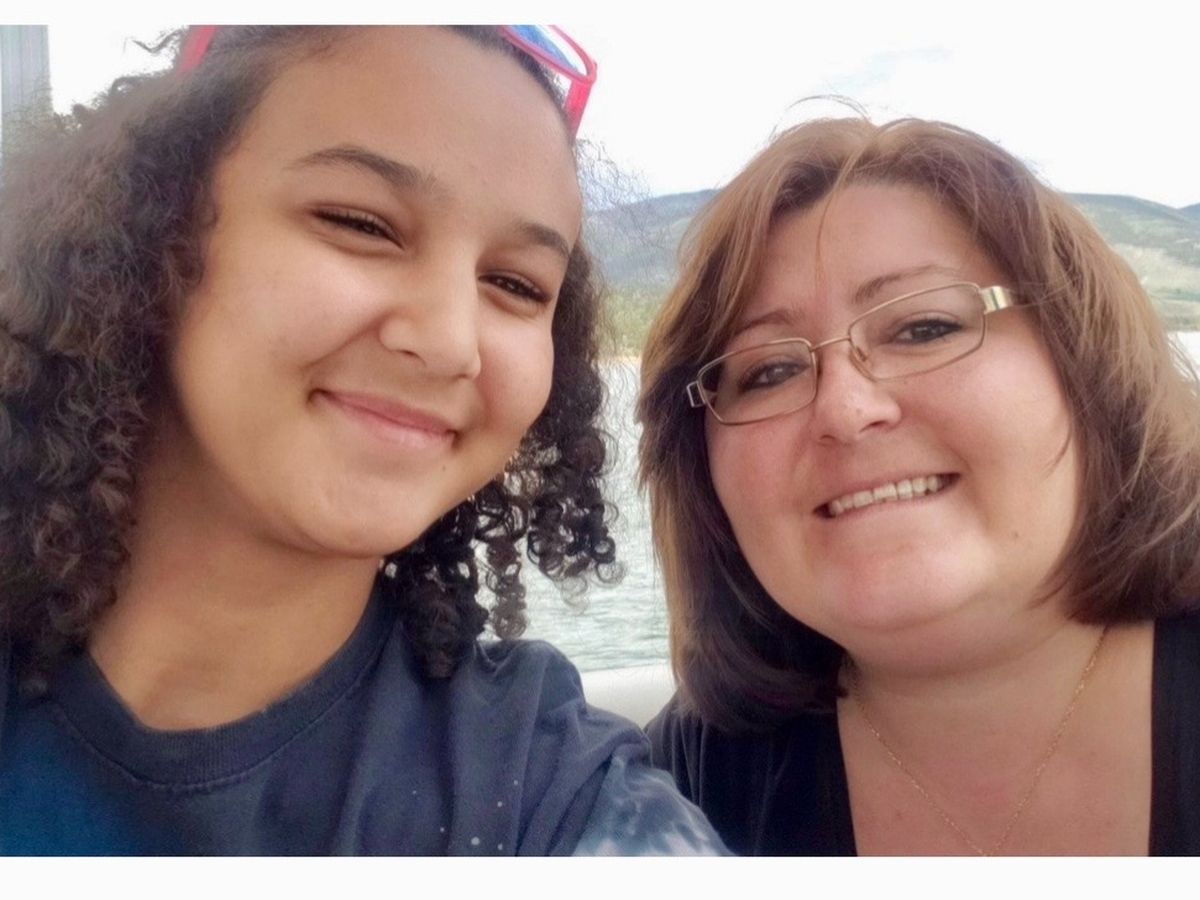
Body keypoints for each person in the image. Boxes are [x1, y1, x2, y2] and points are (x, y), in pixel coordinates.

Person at [0, 25, 724, 855]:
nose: (449, 341)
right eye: (361, 224)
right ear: (147, 234)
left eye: (516, 284)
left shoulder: (548, 794)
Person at [639, 115, 1200, 855]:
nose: (845, 410)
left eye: (924, 328)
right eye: (769, 371)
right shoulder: (678, 790)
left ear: (1088, 367)